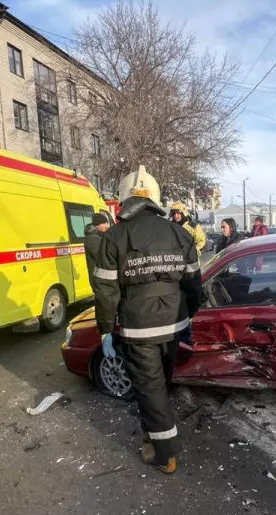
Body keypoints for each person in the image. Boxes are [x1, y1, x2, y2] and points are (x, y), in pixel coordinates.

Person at [91, 166, 203, 475]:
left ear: (125, 199)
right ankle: (153, 430)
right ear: (155, 198)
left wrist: (104, 328)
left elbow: (105, 290)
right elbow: (194, 283)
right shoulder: (181, 233)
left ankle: (165, 454)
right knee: (160, 381)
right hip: (175, 322)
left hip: (139, 326)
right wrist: (189, 315)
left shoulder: (114, 236)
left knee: (150, 387)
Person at [84, 212, 111, 289]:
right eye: (104, 223)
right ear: (97, 225)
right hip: (99, 279)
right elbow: (102, 256)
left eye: (107, 223)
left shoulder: (100, 236)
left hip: (102, 278)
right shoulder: (93, 238)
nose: (107, 226)